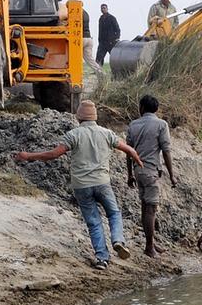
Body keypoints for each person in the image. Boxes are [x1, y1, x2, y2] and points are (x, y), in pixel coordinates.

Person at [15, 101, 142, 270]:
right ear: (95, 116)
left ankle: (102, 259)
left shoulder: (73, 135)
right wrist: (139, 162)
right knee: (114, 213)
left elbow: (53, 155)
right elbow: (130, 151)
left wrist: (28, 156)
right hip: (102, 183)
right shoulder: (107, 134)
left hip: (81, 186)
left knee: (93, 222)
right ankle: (118, 240)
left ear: (79, 117)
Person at [125, 94, 177, 258]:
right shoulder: (161, 124)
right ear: (156, 109)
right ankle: (149, 247)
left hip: (138, 170)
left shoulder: (133, 124)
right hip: (150, 171)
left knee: (145, 206)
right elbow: (166, 151)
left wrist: (130, 174)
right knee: (151, 209)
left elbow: (129, 152)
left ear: (141, 108)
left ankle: (151, 243)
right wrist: (172, 175)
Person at [76, 0, 102, 73]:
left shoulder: (76, 12)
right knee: (90, 59)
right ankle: (101, 73)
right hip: (89, 38)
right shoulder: (85, 13)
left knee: (74, 57)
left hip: (81, 39)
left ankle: (76, 74)